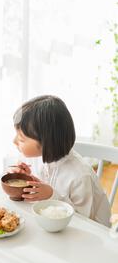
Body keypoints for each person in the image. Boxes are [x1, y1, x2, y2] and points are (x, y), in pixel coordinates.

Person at [11, 95, 111, 227]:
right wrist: (25, 177)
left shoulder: (80, 176)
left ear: (46, 142)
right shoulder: (36, 158)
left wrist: (52, 196)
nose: (14, 141)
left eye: (22, 139)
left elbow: (85, 221)